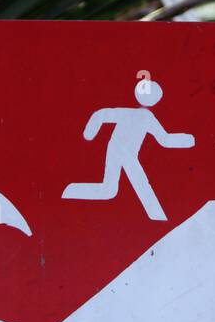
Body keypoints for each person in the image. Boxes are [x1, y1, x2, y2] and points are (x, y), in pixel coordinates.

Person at [62, 78, 194, 221]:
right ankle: (158, 217)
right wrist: (189, 140)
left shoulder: (141, 116)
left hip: (121, 152)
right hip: (121, 153)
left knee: (110, 190)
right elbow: (165, 140)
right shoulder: (143, 116)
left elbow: (101, 114)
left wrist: (90, 133)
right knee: (134, 185)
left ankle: (70, 190)